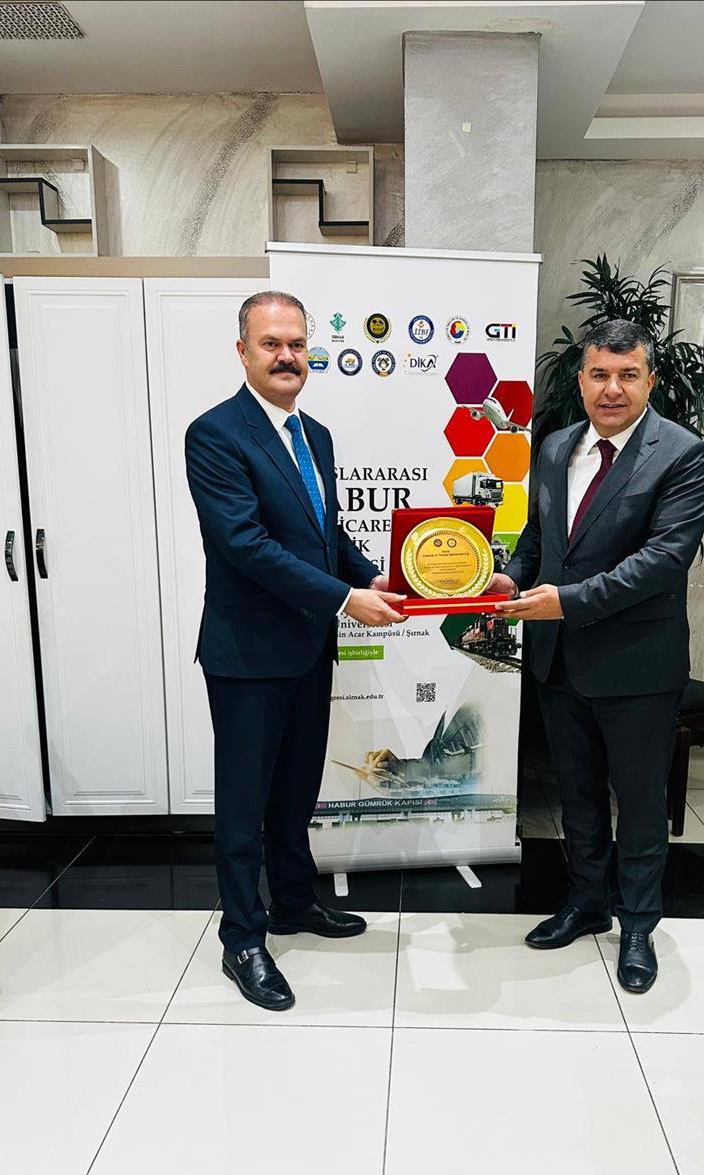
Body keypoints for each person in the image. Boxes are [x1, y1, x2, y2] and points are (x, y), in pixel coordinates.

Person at [185, 290, 405, 1011]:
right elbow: (244, 544)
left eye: (297, 344)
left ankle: (293, 901)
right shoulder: (215, 434)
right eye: (271, 343)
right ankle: (242, 939)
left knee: (296, 792)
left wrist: (372, 577)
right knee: (244, 804)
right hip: (248, 653)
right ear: (242, 351)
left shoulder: (317, 435)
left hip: (309, 647)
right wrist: (344, 598)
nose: (287, 356)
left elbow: (322, 532)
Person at [492, 318, 704, 993]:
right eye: (599, 374)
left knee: (639, 804)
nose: (612, 388)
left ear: (651, 380)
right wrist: (510, 579)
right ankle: (587, 901)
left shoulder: (682, 454)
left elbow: (664, 559)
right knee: (578, 796)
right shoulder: (556, 446)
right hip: (560, 661)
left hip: (638, 665)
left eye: (627, 375)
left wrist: (567, 601)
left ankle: (639, 924)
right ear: (582, 379)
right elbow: (539, 539)